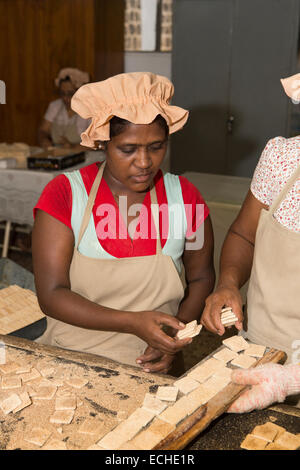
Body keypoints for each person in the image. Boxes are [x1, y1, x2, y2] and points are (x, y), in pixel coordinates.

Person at [32, 72, 215, 376]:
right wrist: (132, 321)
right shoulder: (65, 194)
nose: (144, 162)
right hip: (72, 360)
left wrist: (173, 336)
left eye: (156, 146)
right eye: (128, 149)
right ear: (103, 143)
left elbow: (201, 278)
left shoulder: (185, 198)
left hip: (155, 361)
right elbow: (51, 294)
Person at [201, 74, 300, 412]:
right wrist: (228, 283)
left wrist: (292, 378)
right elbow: (244, 234)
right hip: (261, 351)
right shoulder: (282, 159)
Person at [37, 67, 91, 152]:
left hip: (83, 155)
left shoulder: (89, 109)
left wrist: (72, 147)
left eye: (70, 94)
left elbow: (96, 142)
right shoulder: (55, 106)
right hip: (58, 152)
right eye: (62, 93)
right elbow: (43, 130)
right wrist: (44, 141)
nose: (65, 98)